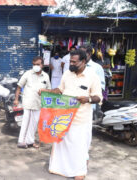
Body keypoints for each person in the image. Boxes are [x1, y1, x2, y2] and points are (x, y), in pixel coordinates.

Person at [40, 49, 102, 180]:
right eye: (70, 61)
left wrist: (88, 99)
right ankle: (58, 168)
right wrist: (47, 91)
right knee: (61, 144)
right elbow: (60, 90)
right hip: (63, 116)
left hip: (81, 119)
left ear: (83, 61)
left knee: (79, 147)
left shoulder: (92, 76)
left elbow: (98, 97)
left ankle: (79, 171)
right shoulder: (67, 74)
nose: (70, 64)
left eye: (74, 62)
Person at [14, 56, 51, 148]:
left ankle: (30, 141)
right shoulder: (28, 74)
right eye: (34, 64)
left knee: (34, 124)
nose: (35, 66)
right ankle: (21, 141)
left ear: (42, 65)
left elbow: (49, 90)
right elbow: (19, 87)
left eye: (38, 64)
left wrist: (44, 90)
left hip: (38, 103)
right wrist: (16, 99)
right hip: (28, 102)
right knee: (26, 122)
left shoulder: (45, 76)